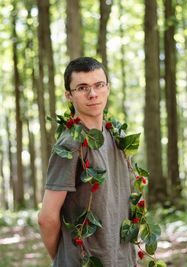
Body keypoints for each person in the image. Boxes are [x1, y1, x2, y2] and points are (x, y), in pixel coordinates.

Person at [38, 57, 136, 267]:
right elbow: (47, 217)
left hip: (123, 260)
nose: (93, 94)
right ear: (68, 95)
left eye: (99, 85)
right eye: (82, 88)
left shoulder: (117, 138)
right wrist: (63, 258)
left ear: (107, 89)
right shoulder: (69, 146)